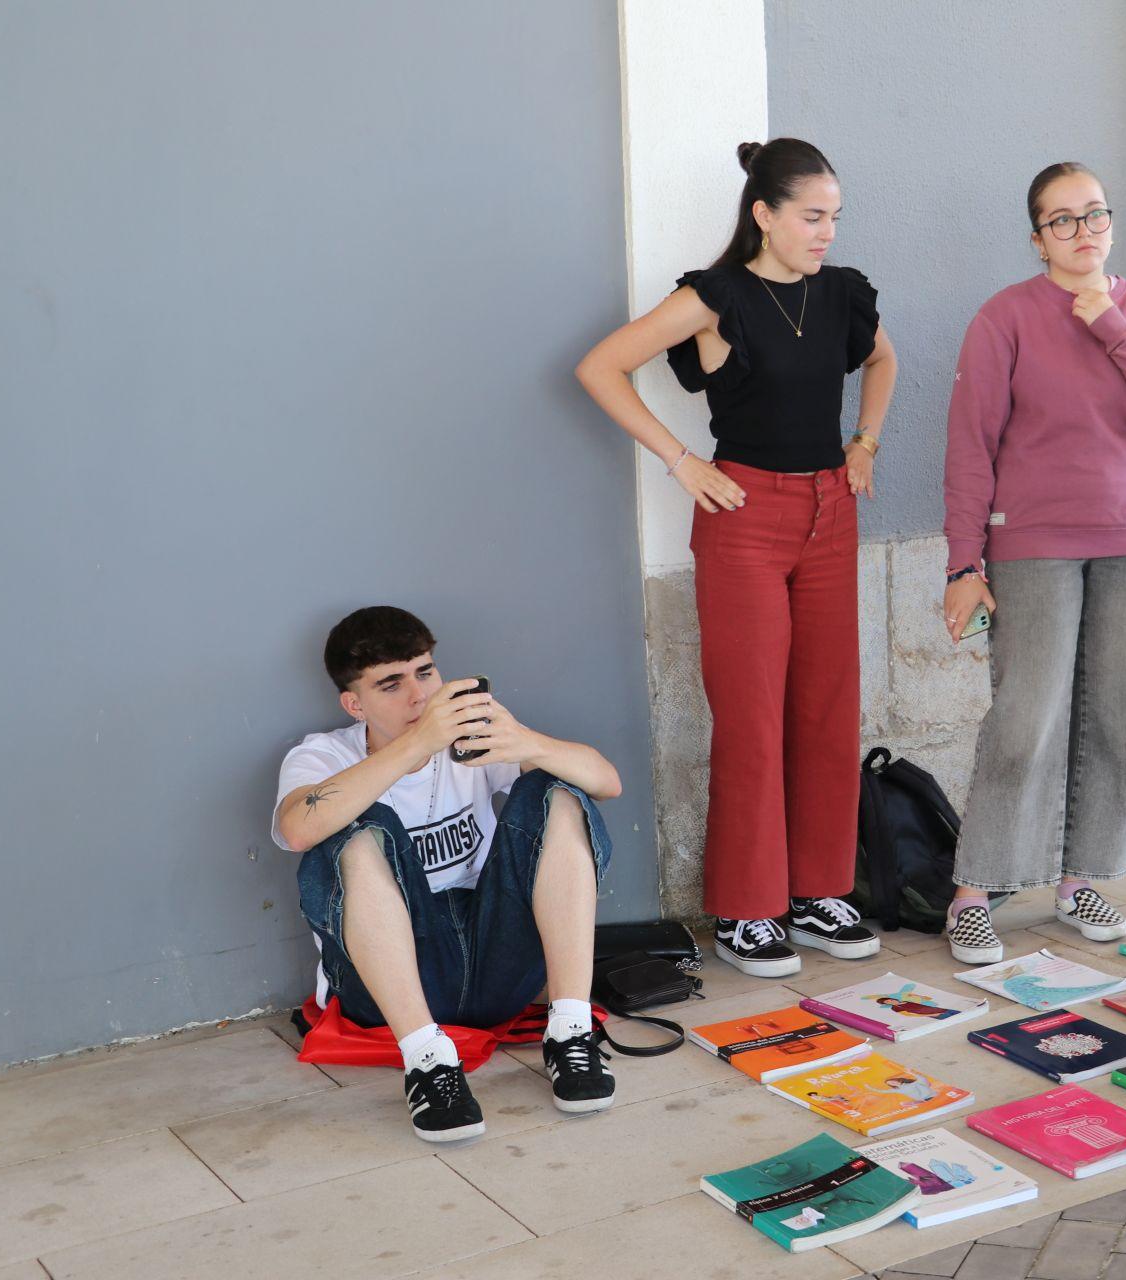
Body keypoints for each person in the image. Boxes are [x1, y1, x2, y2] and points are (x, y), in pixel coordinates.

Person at [576, 138, 898, 977]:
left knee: (829, 708)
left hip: (832, 513)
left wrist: (864, 440)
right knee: (752, 716)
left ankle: (819, 890)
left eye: (835, 217)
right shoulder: (715, 297)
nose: (827, 232)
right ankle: (748, 909)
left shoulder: (844, 295)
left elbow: (884, 358)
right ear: (764, 214)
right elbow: (601, 367)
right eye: (812, 216)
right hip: (745, 515)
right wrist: (684, 462)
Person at [940, 161, 1126, 965]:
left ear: (1111, 224)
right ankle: (975, 890)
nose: (1082, 233)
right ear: (1037, 239)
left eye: (1094, 215)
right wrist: (963, 564)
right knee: (1025, 717)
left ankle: (1080, 876)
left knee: (1115, 720)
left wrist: (1112, 325)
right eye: (1062, 221)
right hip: (1032, 543)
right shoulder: (1004, 319)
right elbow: (970, 446)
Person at [274, 606, 625, 1142]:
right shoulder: (322, 755)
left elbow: (606, 782)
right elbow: (298, 829)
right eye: (391, 684)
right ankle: (428, 1062)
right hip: (391, 981)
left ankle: (571, 1030)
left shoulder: (473, 738)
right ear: (354, 702)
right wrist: (416, 746)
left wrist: (526, 742)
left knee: (555, 791)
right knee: (353, 822)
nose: (418, 695)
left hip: (494, 958)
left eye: (426, 672)